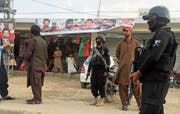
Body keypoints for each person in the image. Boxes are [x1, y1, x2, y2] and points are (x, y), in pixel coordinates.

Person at [130, 6, 178, 114]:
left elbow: (154, 56)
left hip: (157, 81)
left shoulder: (163, 34)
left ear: (158, 17)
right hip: (153, 80)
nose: (148, 21)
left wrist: (139, 72)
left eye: (150, 18)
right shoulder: (159, 34)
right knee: (155, 109)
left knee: (148, 110)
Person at [115, 26, 141, 111]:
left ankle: (140, 105)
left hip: (134, 69)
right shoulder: (120, 44)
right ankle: (124, 104)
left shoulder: (136, 43)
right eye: (124, 31)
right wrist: (123, 62)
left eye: (126, 31)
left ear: (130, 31)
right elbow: (117, 55)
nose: (125, 32)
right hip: (123, 69)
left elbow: (140, 55)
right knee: (122, 87)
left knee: (136, 87)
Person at [21, 24, 48, 104]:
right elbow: (46, 55)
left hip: (35, 65)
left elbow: (28, 54)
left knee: (35, 82)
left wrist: (24, 62)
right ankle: (37, 98)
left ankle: (37, 99)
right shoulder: (43, 41)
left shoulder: (32, 41)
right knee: (38, 83)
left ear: (31, 32)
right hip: (42, 65)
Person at [87, 34, 110, 106]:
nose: (98, 41)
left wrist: (106, 71)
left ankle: (102, 99)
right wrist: (88, 70)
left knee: (101, 84)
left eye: (99, 40)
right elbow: (91, 60)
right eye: (97, 40)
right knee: (93, 84)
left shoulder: (105, 49)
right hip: (94, 68)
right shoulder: (94, 50)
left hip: (102, 69)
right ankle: (95, 98)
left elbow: (108, 61)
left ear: (103, 41)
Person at [0, 29, 15, 101]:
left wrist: (10, 54)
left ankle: (4, 95)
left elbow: (8, 52)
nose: (6, 34)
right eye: (4, 33)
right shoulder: (1, 41)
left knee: (4, 78)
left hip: (3, 62)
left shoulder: (10, 42)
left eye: (7, 33)